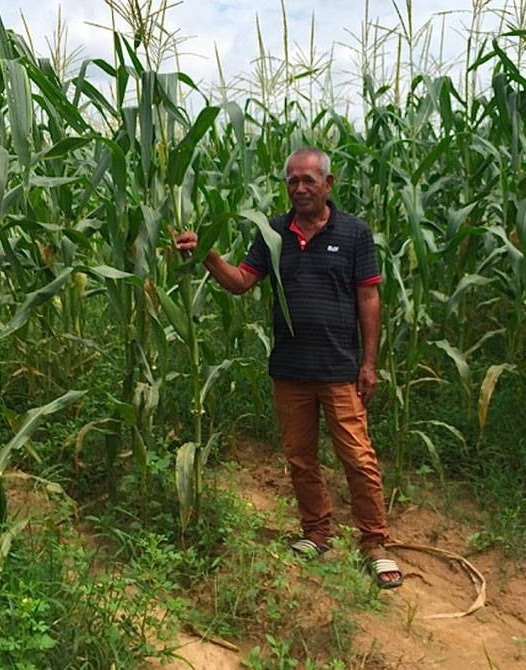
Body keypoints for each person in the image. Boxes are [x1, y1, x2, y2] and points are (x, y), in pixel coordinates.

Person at [175, 147, 402, 588]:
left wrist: (369, 363)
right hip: (291, 369)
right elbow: (241, 282)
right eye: (292, 181)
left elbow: (368, 298)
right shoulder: (274, 232)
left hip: (339, 369)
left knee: (357, 457)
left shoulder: (354, 233)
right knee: (300, 459)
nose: (299, 188)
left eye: (308, 180)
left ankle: (374, 543)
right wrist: (205, 253)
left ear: (328, 184)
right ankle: (317, 533)